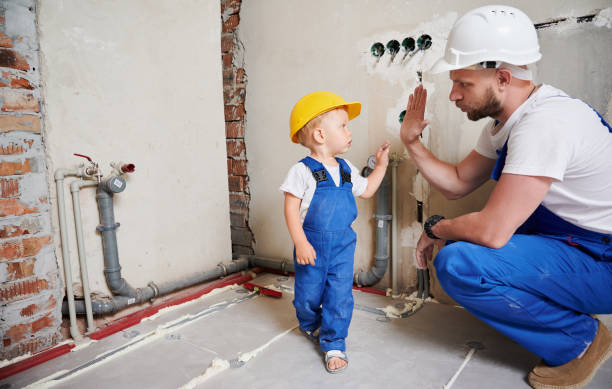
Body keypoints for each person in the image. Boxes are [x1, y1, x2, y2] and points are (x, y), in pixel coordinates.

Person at [399, 5, 612, 389]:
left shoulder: (544, 123)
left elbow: (493, 231)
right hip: (576, 245)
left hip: (603, 259)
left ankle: (580, 341)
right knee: (480, 241)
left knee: (460, 264)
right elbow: (458, 182)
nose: (453, 95)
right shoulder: (508, 123)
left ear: (502, 77)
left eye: (463, 83)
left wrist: (439, 227)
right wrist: (411, 142)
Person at [280, 91, 390, 373]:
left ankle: (334, 342)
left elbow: (366, 191)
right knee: (307, 296)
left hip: (342, 245)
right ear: (320, 135)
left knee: (340, 295)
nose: (348, 131)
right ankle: (310, 323)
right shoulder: (302, 171)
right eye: (342, 125)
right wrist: (300, 242)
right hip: (312, 245)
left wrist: (381, 166)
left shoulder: (346, 168)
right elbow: (291, 211)